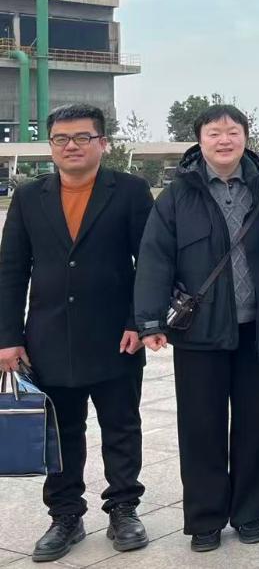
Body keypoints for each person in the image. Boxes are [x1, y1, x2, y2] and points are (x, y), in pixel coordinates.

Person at [0, 104, 153, 562]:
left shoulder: (130, 191)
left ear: (102, 143)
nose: (71, 146)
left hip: (116, 336)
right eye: (61, 139)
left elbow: (150, 263)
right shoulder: (30, 197)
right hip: (48, 338)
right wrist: (8, 337)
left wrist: (138, 321)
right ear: (51, 146)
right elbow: (11, 270)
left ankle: (123, 508)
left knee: (121, 426)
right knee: (62, 431)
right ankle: (65, 515)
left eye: (82, 137)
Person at [133, 104, 259, 551]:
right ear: (199, 140)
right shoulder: (178, 194)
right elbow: (155, 258)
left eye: (233, 132)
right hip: (199, 332)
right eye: (214, 132)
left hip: (255, 330)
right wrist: (150, 320)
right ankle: (205, 519)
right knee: (201, 428)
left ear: (246, 137)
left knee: (254, 426)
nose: (224, 140)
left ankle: (250, 512)